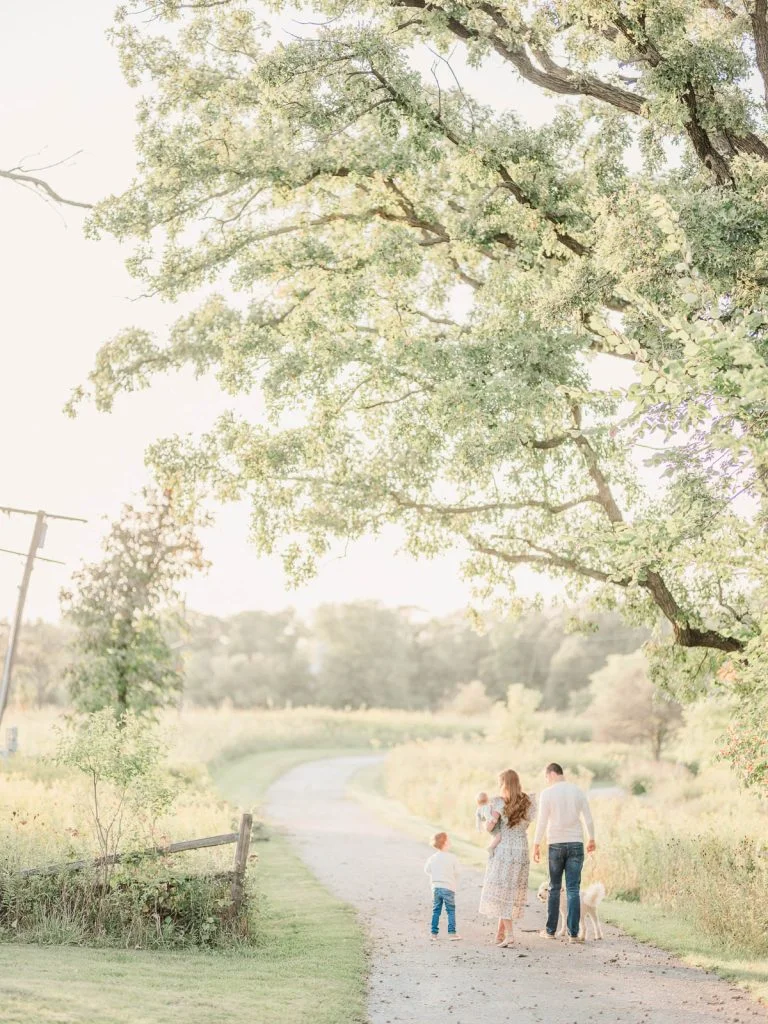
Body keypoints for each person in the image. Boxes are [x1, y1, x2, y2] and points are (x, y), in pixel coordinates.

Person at [533, 762, 596, 944]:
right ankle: (573, 934)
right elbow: (588, 818)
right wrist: (591, 838)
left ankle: (550, 931)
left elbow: (542, 822)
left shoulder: (548, 793)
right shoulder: (577, 791)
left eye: (546, 778)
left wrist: (536, 843)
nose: (547, 781)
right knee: (573, 889)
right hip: (576, 842)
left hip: (556, 844)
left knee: (554, 887)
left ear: (551, 774)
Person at [478, 769, 536, 948]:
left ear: (504, 784)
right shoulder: (528, 801)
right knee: (510, 891)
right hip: (521, 850)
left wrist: (485, 818)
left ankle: (510, 936)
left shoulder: (498, 803)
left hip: (505, 852)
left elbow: (490, 827)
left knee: (502, 893)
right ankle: (500, 933)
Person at [424, 831, 462, 940]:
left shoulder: (433, 858)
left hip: (436, 887)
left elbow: (427, 870)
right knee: (450, 910)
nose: (450, 842)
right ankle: (452, 933)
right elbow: (458, 872)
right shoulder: (452, 857)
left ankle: (433, 934)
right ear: (445, 843)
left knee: (436, 910)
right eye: (448, 840)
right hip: (448, 887)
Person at [475, 791, 501, 856]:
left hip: (486, 824)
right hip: (491, 822)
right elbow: (487, 815)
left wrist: (479, 828)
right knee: (498, 836)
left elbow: (478, 820)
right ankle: (491, 847)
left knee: (495, 836)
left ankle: (492, 846)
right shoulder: (486, 807)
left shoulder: (478, 809)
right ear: (487, 800)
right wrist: (493, 819)